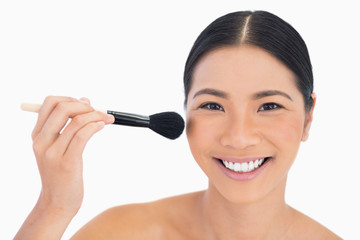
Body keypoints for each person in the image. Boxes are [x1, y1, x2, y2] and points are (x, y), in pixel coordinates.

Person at [15, 10, 342, 239]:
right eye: (212, 105)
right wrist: (54, 207)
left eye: (269, 106)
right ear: (185, 111)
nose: (239, 137)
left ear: (308, 117)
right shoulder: (120, 233)